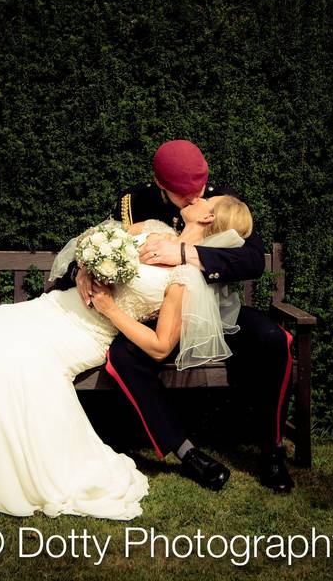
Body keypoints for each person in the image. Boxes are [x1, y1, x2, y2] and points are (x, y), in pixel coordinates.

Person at [0, 195, 253, 520]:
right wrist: (86, 265)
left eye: (207, 198)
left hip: (86, 332)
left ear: (208, 216)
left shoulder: (184, 278)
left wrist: (110, 309)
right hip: (53, 308)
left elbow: (160, 346)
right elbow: (93, 238)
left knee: (15, 363)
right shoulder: (151, 228)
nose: (198, 196)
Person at [55, 140, 295, 493]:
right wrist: (83, 268)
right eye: (186, 195)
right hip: (160, 315)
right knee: (122, 358)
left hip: (217, 313)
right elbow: (106, 241)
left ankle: (272, 450)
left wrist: (183, 251)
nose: (197, 199)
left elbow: (253, 260)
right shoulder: (135, 203)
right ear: (160, 184)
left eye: (200, 189)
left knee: (274, 339)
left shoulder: (219, 199)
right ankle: (186, 452)